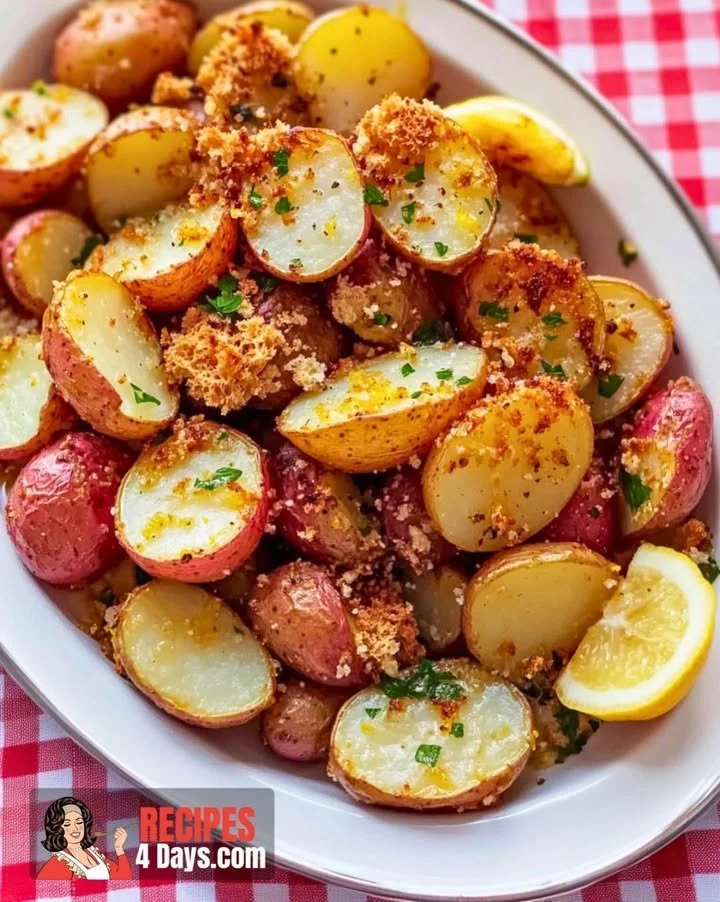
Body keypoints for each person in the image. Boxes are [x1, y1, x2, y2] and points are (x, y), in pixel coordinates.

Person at [37, 796, 131, 880]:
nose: (75, 828)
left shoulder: (93, 853)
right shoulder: (56, 866)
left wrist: (119, 848)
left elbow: (123, 879)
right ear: (56, 829)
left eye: (79, 822)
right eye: (67, 824)